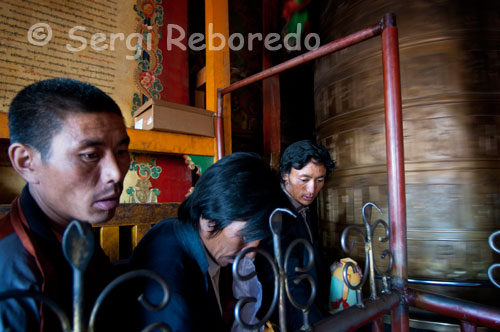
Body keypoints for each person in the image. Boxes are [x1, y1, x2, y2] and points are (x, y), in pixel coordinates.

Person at [0, 78, 131, 331]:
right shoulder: (13, 274)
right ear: (26, 162)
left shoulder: (72, 227)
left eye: (121, 152)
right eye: (90, 155)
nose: (115, 173)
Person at [129, 152, 283, 332]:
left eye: (259, 239)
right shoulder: (173, 295)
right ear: (211, 214)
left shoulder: (174, 228)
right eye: (244, 236)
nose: (250, 254)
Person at [256, 139, 335, 330]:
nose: (312, 190)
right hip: (293, 316)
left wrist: (331, 267)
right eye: (304, 179)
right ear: (285, 175)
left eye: (320, 180)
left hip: (314, 304)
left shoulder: (302, 206)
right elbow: (288, 283)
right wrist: (313, 324)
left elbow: (308, 256)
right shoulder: (276, 216)